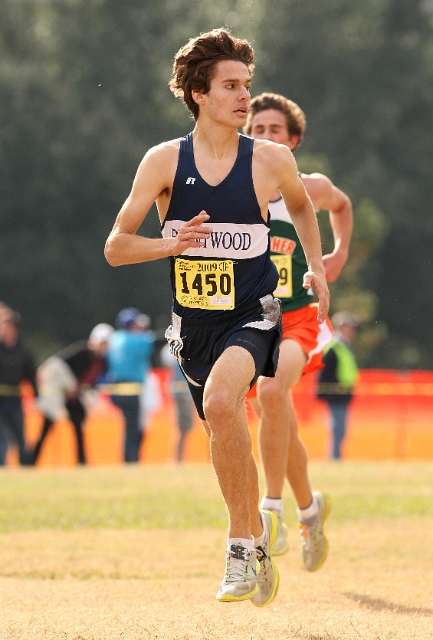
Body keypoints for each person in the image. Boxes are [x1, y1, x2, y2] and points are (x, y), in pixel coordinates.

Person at [104, 28, 329, 606]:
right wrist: (170, 246)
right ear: (199, 94)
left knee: (224, 402)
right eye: (230, 86)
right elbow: (116, 246)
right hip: (192, 325)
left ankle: (236, 544)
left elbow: (304, 208)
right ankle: (254, 539)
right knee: (222, 428)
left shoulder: (271, 161)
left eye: (246, 86)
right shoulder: (163, 162)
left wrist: (317, 269)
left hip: (253, 316)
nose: (243, 97)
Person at [244, 92, 353, 570]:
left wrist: (340, 253)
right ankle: (311, 509)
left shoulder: (307, 187)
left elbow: (343, 205)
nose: (264, 137)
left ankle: (272, 512)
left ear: (292, 140)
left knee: (271, 391)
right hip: (251, 319)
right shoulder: (233, 187)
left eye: (273, 130)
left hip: (301, 317)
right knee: (276, 408)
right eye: (257, 129)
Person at [32, 323, 114, 465]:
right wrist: (68, 386)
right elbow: (57, 365)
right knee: (46, 429)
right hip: (60, 395)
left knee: (79, 429)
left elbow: (95, 384)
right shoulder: (82, 352)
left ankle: (81, 462)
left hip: (76, 400)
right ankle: (31, 461)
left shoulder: (103, 362)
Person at [105, 308, 155, 463]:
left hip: (116, 388)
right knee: (134, 426)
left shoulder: (114, 338)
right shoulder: (138, 339)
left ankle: (128, 458)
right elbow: (150, 344)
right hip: (132, 388)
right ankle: (131, 459)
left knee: (128, 425)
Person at [317, 311, 360, 460]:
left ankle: (336, 456)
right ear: (342, 327)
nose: (353, 331)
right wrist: (323, 391)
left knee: (340, 428)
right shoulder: (335, 346)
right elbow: (325, 370)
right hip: (336, 394)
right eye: (350, 327)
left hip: (343, 394)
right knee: (337, 428)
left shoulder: (344, 345)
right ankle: (334, 457)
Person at [0, 307, 37, 465]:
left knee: (21, 441)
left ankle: (25, 471)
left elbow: (31, 374)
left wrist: (37, 394)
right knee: (3, 440)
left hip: (15, 402)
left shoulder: (23, 351)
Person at [160, 342, 195, 463]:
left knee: (183, 427)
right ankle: (177, 459)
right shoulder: (173, 346)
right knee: (182, 428)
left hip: (184, 392)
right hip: (182, 393)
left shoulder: (169, 347)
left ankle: (178, 459)